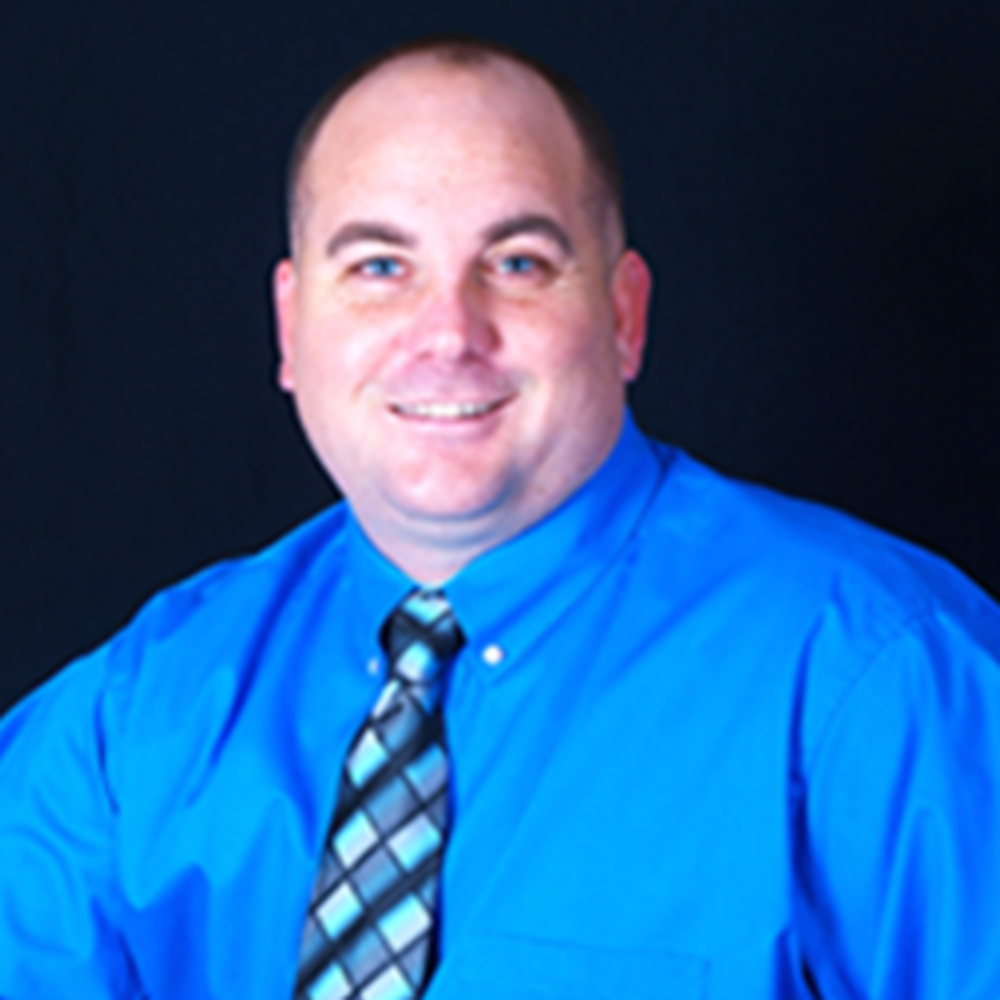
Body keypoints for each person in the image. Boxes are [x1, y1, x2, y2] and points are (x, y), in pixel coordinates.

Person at [2, 35, 999, 1000]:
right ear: (291, 326)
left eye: (517, 263)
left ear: (623, 316)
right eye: (379, 267)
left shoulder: (881, 675)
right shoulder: (137, 710)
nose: (448, 334)